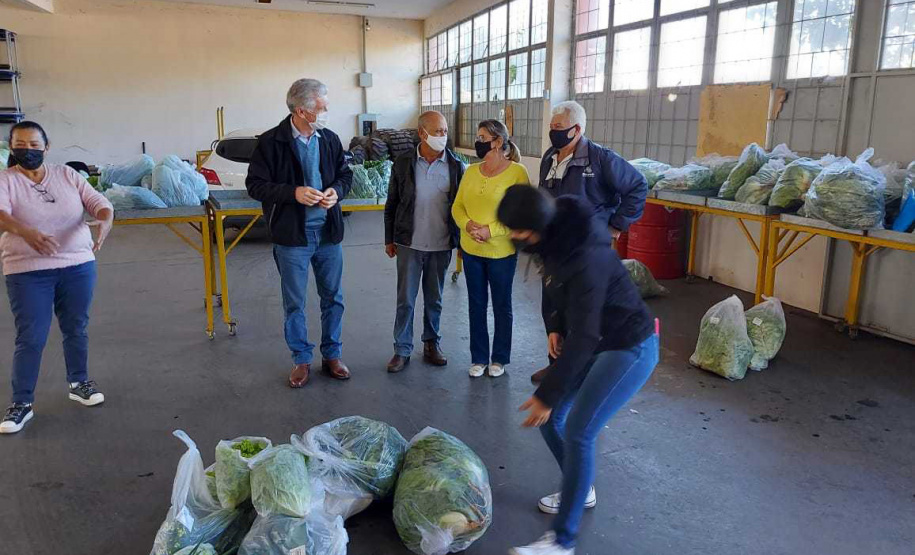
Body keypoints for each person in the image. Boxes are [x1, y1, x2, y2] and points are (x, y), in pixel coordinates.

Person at [498, 185, 659, 555]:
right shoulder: (554, 235)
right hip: (596, 339)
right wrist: (555, 325)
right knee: (552, 422)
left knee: (578, 430)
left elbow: (585, 335)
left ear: (535, 228)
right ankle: (580, 488)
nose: (513, 237)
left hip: (628, 345)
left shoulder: (586, 255)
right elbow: (554, 284)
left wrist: (547, 393)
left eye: (517, 231)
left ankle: (562, 541)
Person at [0, 121, 114, 434]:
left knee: (76, 326)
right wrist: (26, 232)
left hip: (77, 265)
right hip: (27, 270)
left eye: (34, 145)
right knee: (31, 336)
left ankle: (79, 383)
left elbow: (98, 202)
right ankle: (21, 403)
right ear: (12, 148)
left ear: (46, 147)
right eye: (21, 145)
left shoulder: (66, 174)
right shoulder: (6, 180)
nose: (28, 150)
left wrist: (105, 220)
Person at [532, 100, 649, 385]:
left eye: (559, 127)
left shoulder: (600, 159)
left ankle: (580, 372)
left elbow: (637, 185)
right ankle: (556, 366)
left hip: (587, 251)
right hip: (555, 247)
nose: (553, 131)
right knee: (553, 305)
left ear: (577, 129)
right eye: (551, 126)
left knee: (581, 310)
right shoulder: (550, 157)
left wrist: (616, 225)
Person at [246, 78, 353, 388]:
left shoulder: (329, 139)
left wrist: (335, 192)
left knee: (333, 297)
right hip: (292, 237)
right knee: (294, 302)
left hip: (328, 233)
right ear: (302, 111)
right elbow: (256, 185)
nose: (327, 112)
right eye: (322, 108)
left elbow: (345, 175)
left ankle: (332, 355)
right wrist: (293, 193)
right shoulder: (271, 142)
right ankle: (301, 359)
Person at [384, 111, 465, 373]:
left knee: (434, 299)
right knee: (405, 299)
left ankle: (431, 343)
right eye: (438, 131)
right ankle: (402, 349)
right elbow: (392, 203)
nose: (444, 136)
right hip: (409, 243)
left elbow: (461, 207)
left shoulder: (455, 165)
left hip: (441, 244)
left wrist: (461, 242)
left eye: (445, 131)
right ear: (422, 133)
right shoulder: (403, 163)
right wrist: (389, 238)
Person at [451, 120, 530, 378]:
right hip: (471, 250)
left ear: (497, 142)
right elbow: (457, 206)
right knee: (476, 305)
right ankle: (479, 358)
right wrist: (468, 225)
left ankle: (499, 358)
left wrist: (491, 230)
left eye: (482, 137)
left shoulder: (517, 172)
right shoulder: (471, 171)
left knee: (501, 305)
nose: (478, 141)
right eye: (478, 137)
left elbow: (521, 213)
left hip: (501, 253)